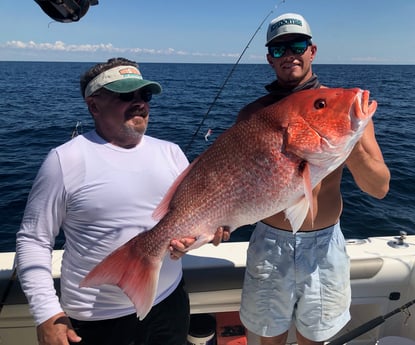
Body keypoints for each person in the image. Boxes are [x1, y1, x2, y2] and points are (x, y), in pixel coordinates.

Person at [15, 57, 206, 345]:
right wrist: (47, 314)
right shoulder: (64, 160)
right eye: (126, 95)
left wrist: (196, 239)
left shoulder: (172, 152)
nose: (140, 102)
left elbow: (190, 220)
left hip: (169, 302)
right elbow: (34, 240)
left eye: (145, 94)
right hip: (99, 319)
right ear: (94, 105)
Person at [235, 13, 391, 345]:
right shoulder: (253, 115)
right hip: (270, 243)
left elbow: (379, 188)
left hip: (324, 246)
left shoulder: (343, 107)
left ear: (312, 50)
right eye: (278, 49)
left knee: (314, 340)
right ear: (269, 59)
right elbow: (236, 184)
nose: (289, 54)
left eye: (297, 45)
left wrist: (345, 140)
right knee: (267, 338)